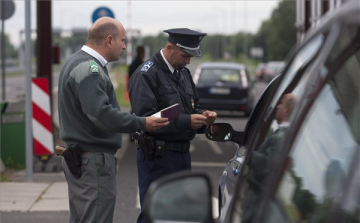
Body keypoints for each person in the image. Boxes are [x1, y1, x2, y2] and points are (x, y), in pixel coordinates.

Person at [57, 17, 169, 223]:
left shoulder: (75, 62)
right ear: (109, 40)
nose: (125, 47)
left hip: (82, 159)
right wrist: (143, 123)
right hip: (93, 162)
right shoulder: (89, 69)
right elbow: (101, 115)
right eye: (123, 40)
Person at [128, 28, 217, 223]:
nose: (188, 61)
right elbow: (147, 120)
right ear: (169, 48)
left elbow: (193, 106)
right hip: (158, 157)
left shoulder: (183, 73)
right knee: (155, 214)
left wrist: (203, 117)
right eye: (185, 55)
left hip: (182, 156)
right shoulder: (147, 74)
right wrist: (188, 121)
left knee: (179, 215)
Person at [242, 93, 297, 223]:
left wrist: (246, 153)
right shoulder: (284, 134)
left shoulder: (280, 137)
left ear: (287, 110)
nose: (277, 107)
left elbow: (265, 164)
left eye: (281, 103)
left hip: (257, 197)